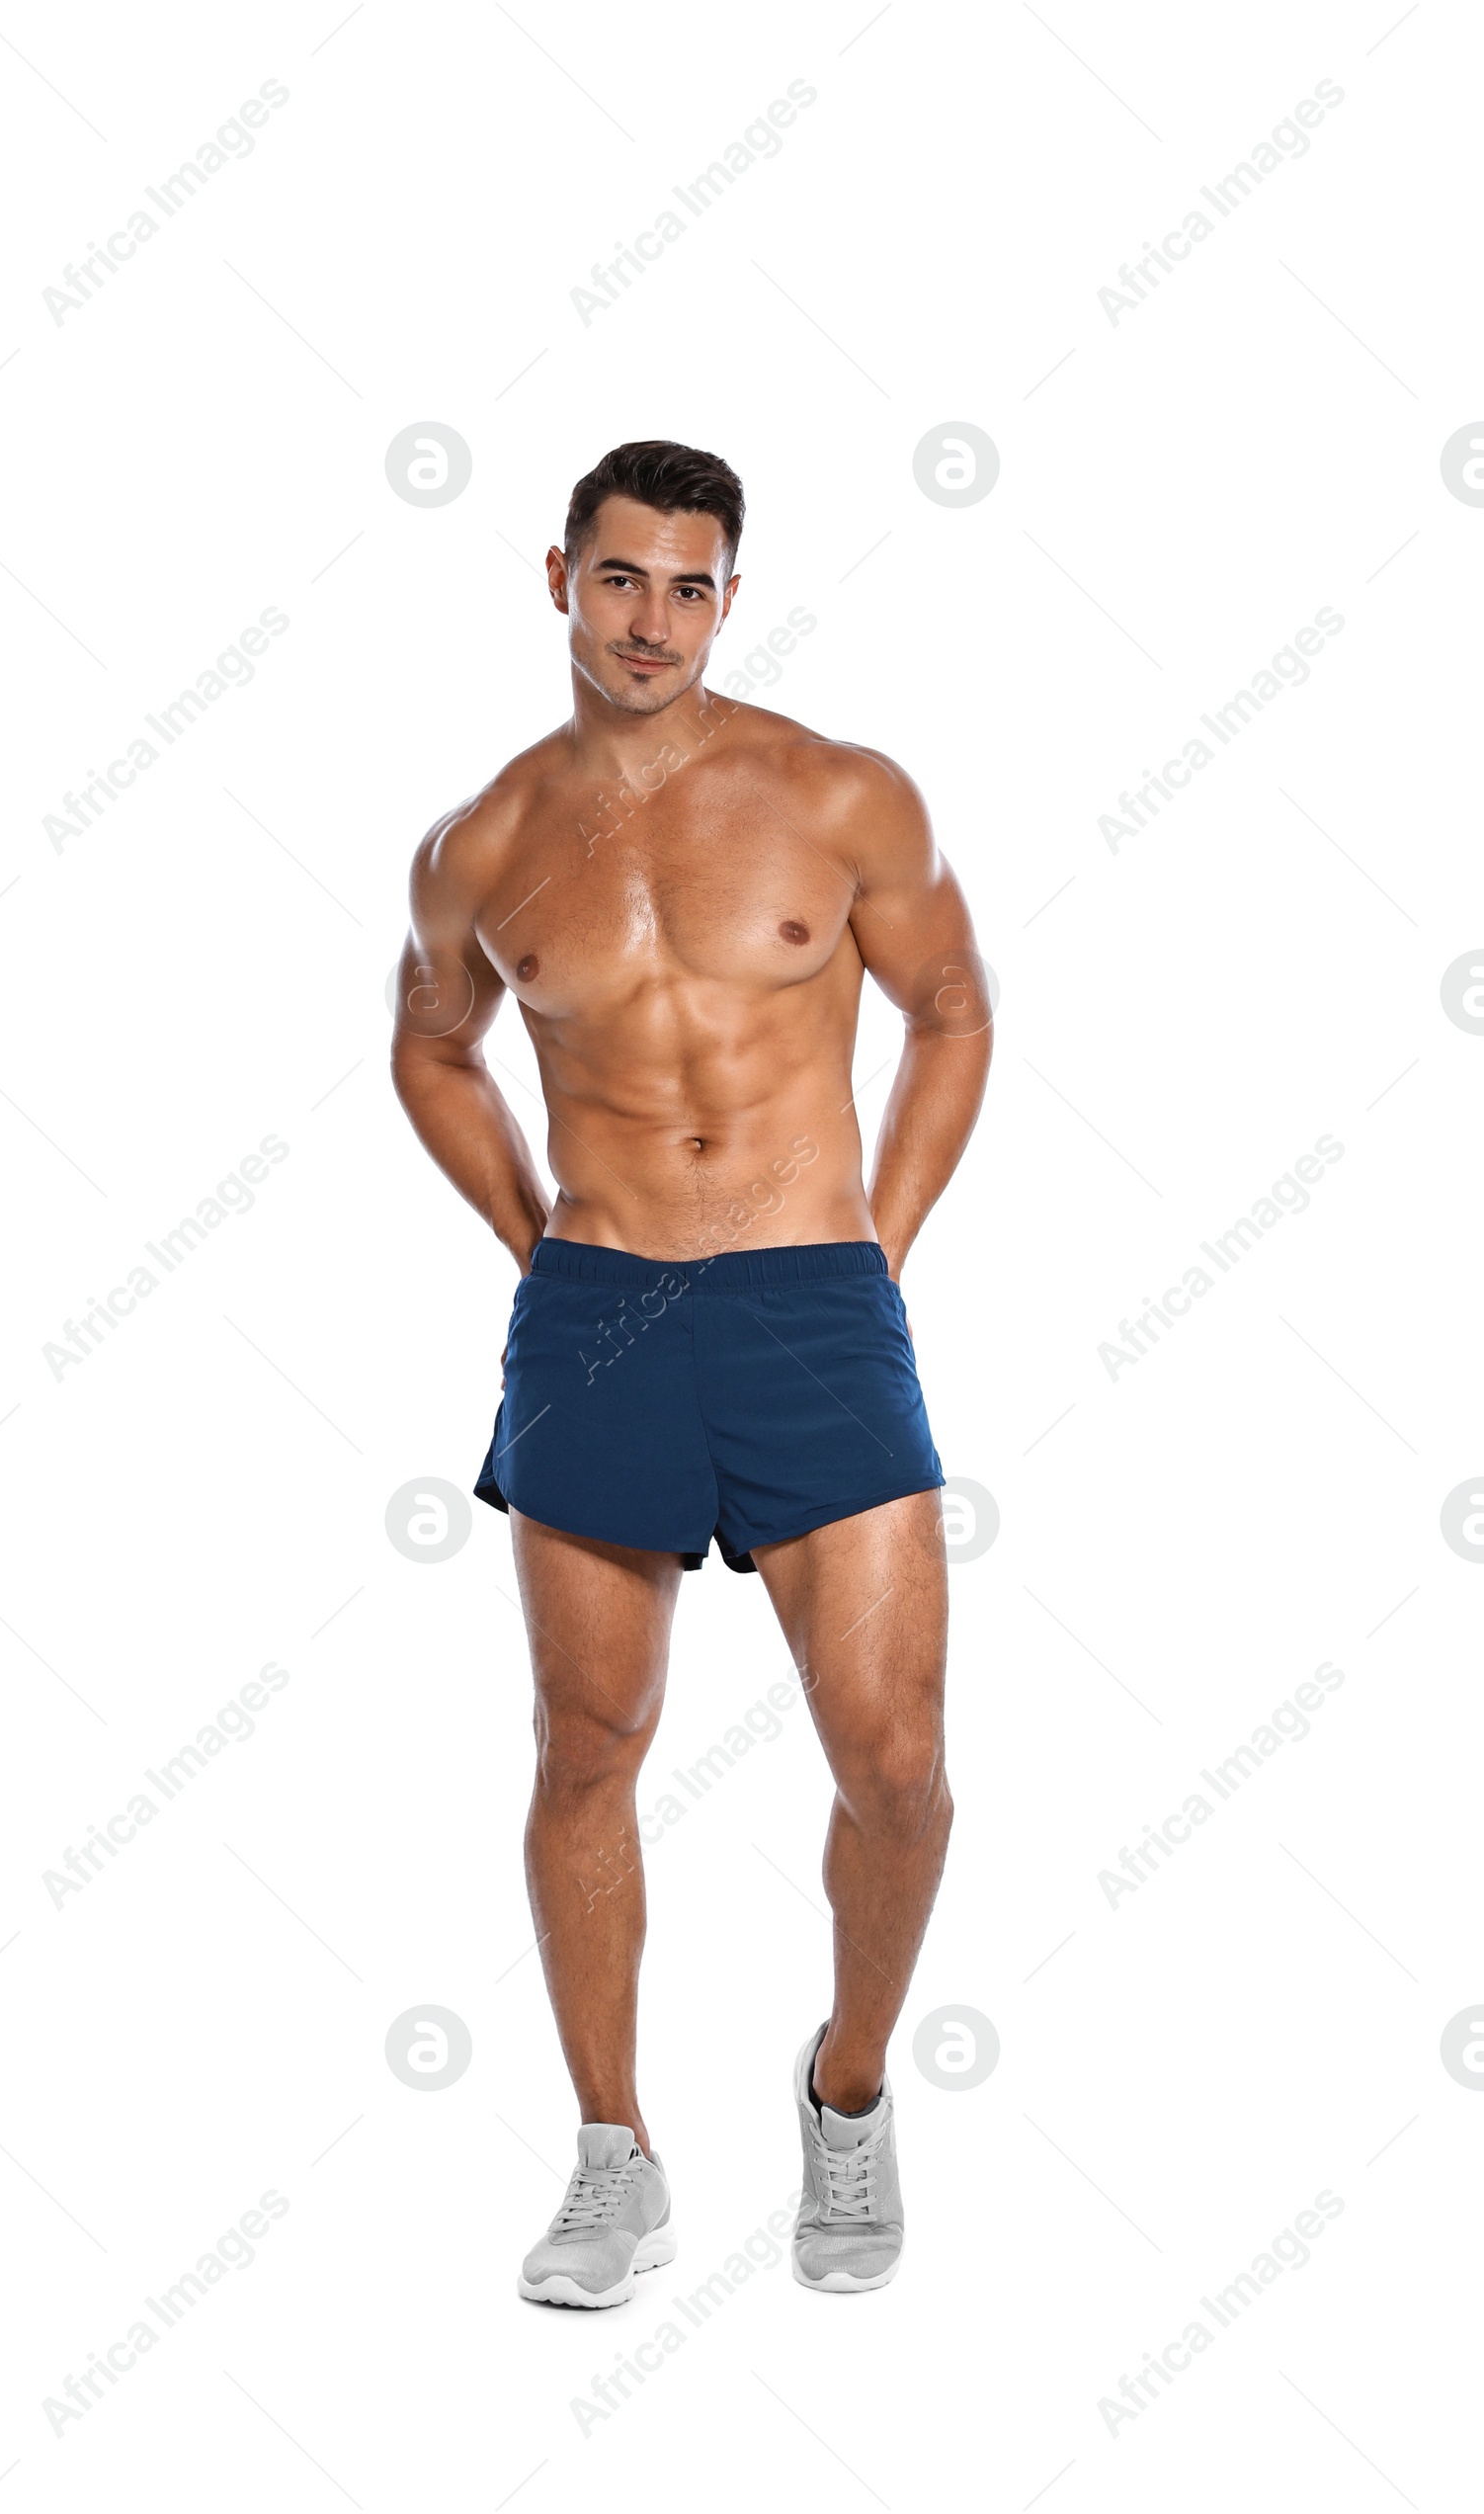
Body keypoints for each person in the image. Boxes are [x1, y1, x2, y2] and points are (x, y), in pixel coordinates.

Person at [391, 439, 992, 2303]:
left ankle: (848, 2095)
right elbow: (430, 1048)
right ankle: (612, 2153)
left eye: (690, 585)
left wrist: (874, 1250)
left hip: (815, 1307)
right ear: (556, 579)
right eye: (621, 578)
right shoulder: (479, 844)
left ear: (732, 597)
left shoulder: (839, 794)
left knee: (896, 1766)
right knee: (588, 1746)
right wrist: (533, 1241)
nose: (652, 619)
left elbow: (955, 1011)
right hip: (599, 1315)